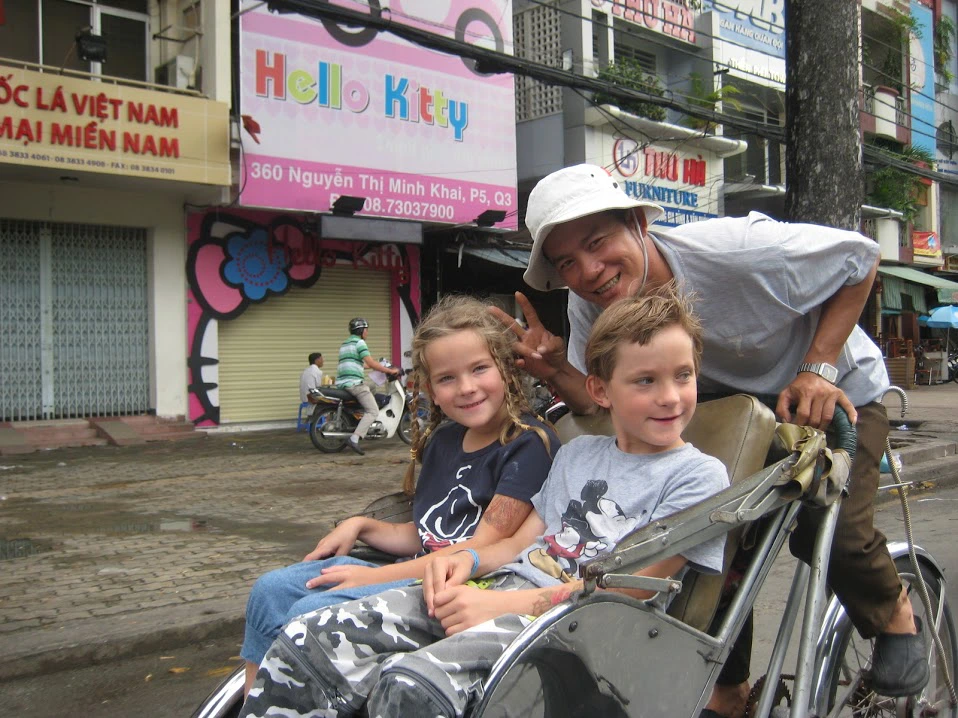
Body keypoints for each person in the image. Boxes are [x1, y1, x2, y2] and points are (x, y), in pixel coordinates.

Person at [491, 163, 926, 715]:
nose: (589, 271)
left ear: (637, 224)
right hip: (713, 403)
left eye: (597, 243)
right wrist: (556, 369)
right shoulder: (591, 300)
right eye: (567, 262)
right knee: (705, 535)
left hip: (829, 391)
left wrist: (819, 366)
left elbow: (860, 258)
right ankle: (728, 688)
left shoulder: (739, 252)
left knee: (830, 528)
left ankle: (894, 614)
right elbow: (602, 403)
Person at [240, 287, 730, 718]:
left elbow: (631, 591)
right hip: (496, 588)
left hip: (579, 627)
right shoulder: (579, 454)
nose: (671, 397)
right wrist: (465, 563)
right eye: (646, 381)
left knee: (411, 684)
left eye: (683, 376)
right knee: (309, 636)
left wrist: (496, 604)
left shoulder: (699, 476)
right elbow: (516, 543)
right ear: (600, 390)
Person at [239, 295, 559, 697]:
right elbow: (427, 532)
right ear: (430, 389)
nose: (466, 388)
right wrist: (361, 525)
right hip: (410, 568)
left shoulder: (527, 444)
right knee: (268, 591)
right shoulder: (445, 440)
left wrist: (371, 577)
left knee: (309, 613)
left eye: (480, 368)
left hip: (464, 584)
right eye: (447, 378)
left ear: (507, 369)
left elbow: (475, 549)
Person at [336, 317, 400, 455]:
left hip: (343, 382)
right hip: (354, 384)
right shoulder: (360, 343)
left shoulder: (345, 343)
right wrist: (389, 371)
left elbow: (360, 363)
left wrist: (377, 366)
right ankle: (354, 438)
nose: (367, 332)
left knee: (372, 386)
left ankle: (360, 414)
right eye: (366, 329)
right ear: (361, 331)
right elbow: (370, 363)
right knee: (373, 411)